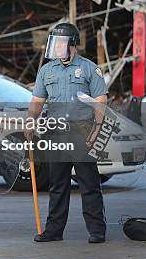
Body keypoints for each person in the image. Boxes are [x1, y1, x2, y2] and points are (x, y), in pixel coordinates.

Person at [26, 22, 107, 244]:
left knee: (88, 184)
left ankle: (97, 230)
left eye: (62, 42)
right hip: (56, 133)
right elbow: (37, 100)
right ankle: (54, 230)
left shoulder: (90, 68)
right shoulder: (47, 70)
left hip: (82, 132)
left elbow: (100, 101)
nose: (58, 47)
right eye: (56, 42)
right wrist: (30, 122)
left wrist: (97, 131)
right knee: (57, 184)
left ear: (73, 44)